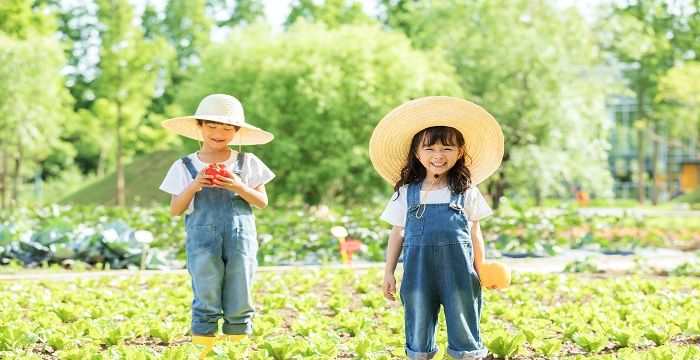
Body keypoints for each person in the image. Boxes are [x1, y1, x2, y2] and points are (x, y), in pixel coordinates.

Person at [369, 96, 504, 360]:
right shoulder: (406, 193)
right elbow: (397, 233)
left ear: (460, 151)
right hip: (418, 275)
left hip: (461, 273)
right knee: (418, 323)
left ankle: (466, 354)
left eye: (447, 148)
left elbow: (475, 233)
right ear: (417, 153)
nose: (438, 156)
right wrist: (388, 272)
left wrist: (482, 269)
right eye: (430, 149)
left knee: (464, 323)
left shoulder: (466, 191)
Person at [159, 94, 274, 357]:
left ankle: (237, 354)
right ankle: (203, 353)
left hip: (241, 241)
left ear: (236, 131)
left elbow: (261, 202)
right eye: (211, 126)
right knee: (206, 298)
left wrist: (237, 184)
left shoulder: (248, 162)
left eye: (226, 128)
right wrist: (196, 184)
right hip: (202, 243)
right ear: (199, 126)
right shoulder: (185, 165)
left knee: (240, 298)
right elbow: (176, 209)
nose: (219, 133)